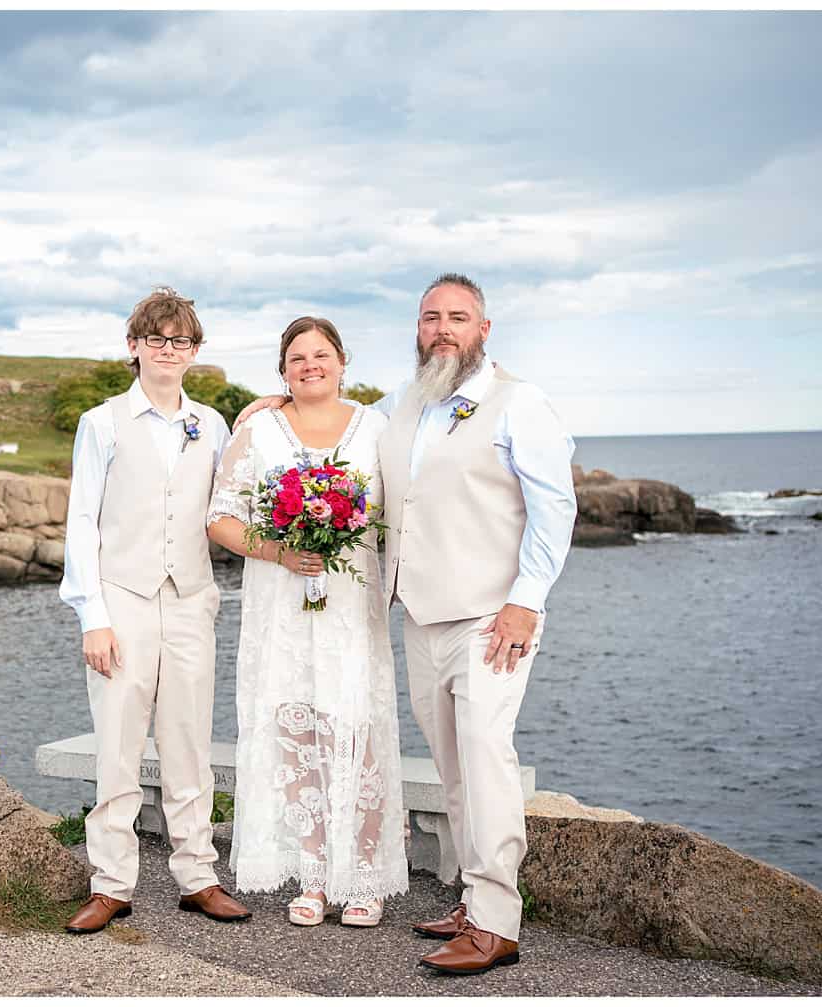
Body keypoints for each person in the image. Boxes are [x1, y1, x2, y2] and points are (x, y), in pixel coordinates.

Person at [234, 274, 576, 974]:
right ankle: (471, 900)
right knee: (454, 769)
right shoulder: (407, 407)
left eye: (458, 317)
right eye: (430, 318)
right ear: (417, 331)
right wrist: (274, 401)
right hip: (420, 615)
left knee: (485, 760)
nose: (442, 328)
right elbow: (335, 419)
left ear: (485, 328)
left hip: (491, 617)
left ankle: (496, 924)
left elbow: (555, 507)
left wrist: (526, 598)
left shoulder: (520, 402)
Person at [58, 286, 252, 935]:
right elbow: (81, 520)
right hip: (123, 601)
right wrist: (93, 613)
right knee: (117, 745)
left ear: (194, 351)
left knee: (189, 741)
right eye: (157, 338)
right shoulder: (102, 422)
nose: (168, 350)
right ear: (134, 345)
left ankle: (197, 875)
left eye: (181, 340)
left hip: (192, 600)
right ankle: (111, 882)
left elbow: (229, 505)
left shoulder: (213, 425)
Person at [206, 317, 408, 928]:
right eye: (297, 357)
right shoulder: (257, 429)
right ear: (282, 369)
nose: (310, 365)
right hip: (280, 607)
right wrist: (280, 552)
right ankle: (315, 875)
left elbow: (403, 512)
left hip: (351, 605)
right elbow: (220, 517)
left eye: (321, 354)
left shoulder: (378, 428)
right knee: (294, 730)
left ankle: (365, 875)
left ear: (343, 361)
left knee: (358, 727)